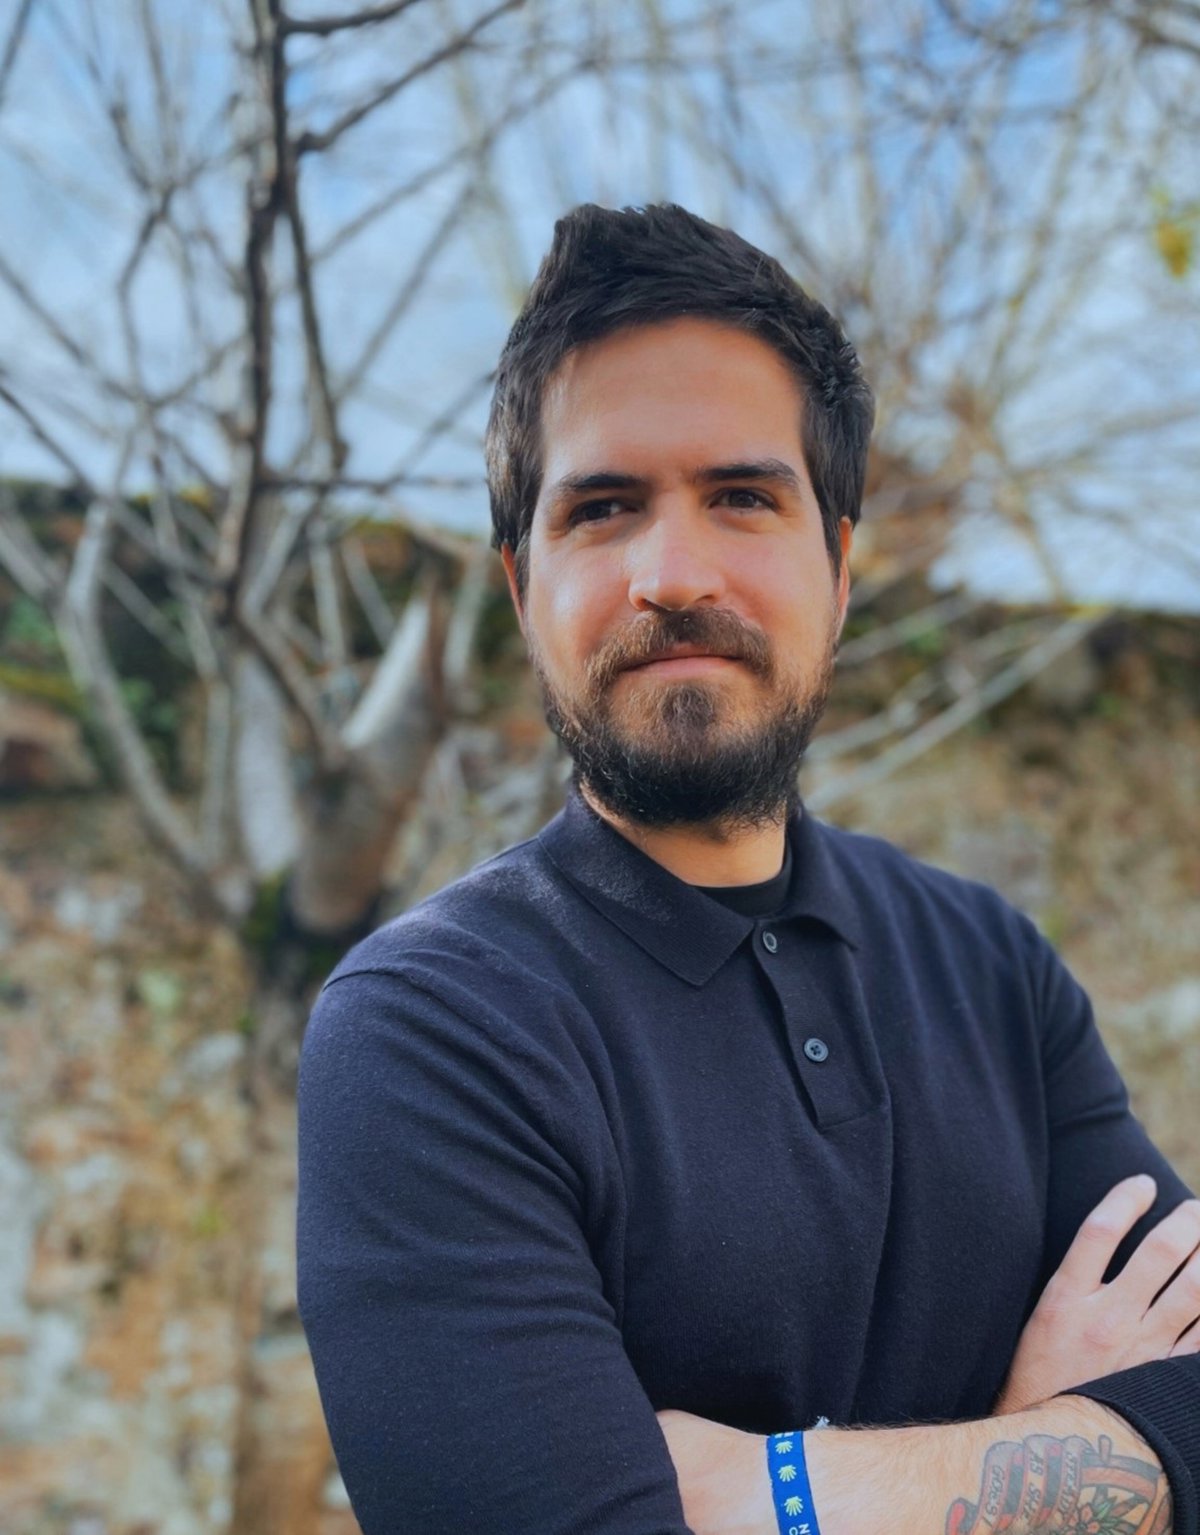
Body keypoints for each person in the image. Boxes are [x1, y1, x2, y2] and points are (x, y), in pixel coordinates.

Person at [297, 203, 1200, 1535]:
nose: (672, 574)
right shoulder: (431, 1028)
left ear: (839, 566)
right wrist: (1065, 1455)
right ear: (522, 589)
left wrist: (769, 1493)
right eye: (603, 509)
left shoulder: (992, 967)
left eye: (741, 497)